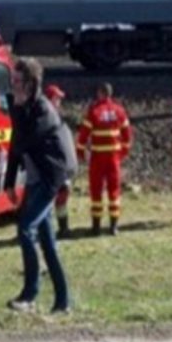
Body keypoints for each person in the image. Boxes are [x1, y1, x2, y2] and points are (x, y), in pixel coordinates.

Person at [3, 58, 76, 314]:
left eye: (17, 82)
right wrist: (9, 182)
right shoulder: (24, 108)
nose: (13, 87)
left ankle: (30, 295)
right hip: (36, 179)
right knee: (47, 242)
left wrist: (15, 109)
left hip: (50, 179)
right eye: (11, 81)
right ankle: (63, 301)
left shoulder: (42, 110)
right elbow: (15, 145)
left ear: (31, 84)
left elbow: (23, 141)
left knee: (25, 228)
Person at [76, 83, 132, 236]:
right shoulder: (120, 111)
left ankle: (96, 227)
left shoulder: (94, 111)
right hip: (114, 158)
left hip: (98, 158)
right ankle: (114, 226)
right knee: (114, 190)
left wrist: (81, 152)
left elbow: (83, 136)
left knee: (96, 190)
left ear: (100, 93)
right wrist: (122, 153)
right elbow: (127, 136)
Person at [44, 84, 74, 238]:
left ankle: (63, 228)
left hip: (61, 166)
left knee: (63, 195)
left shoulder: (55, 116)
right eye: (58, 98)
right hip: (54, 166)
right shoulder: (48, 117)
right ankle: (48, 229)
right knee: (49, 199)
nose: (60, 102)